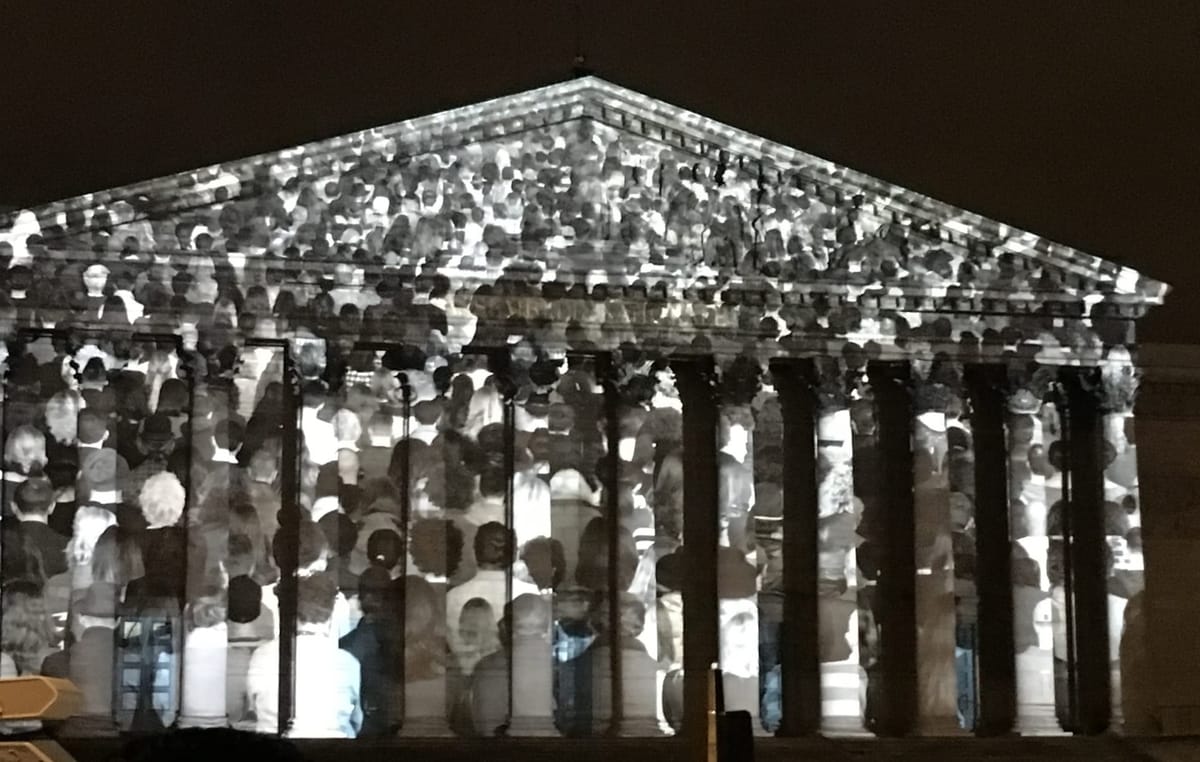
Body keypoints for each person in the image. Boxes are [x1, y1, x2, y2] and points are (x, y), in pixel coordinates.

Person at [246, 573, 362, 738]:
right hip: (332, 748)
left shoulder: (262, 655)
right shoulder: (347, 662)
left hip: (275, 748)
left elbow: (253, 708)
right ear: (331, 613)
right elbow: (357, 721)